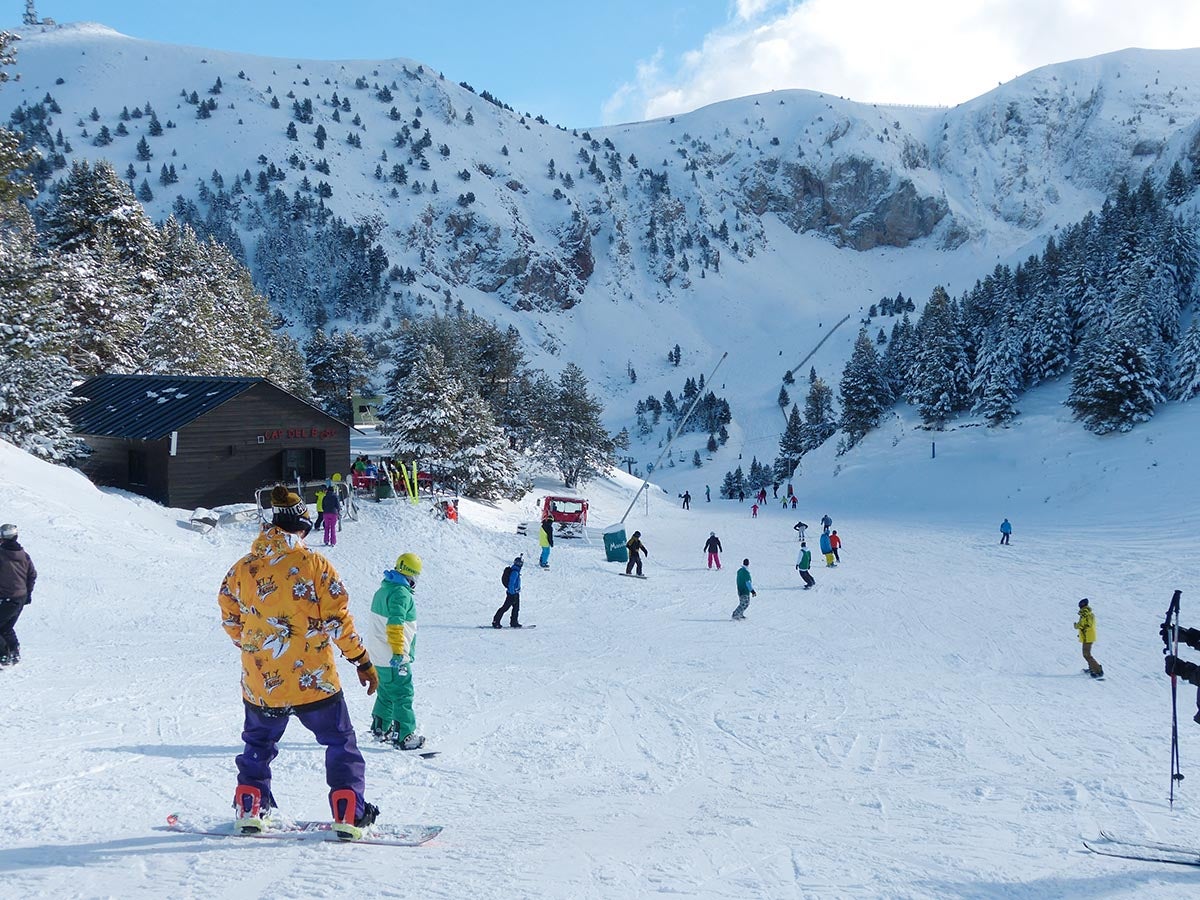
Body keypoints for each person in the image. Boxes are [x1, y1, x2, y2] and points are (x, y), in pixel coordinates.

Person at [217, 485, 380, 840]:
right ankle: (348, 810)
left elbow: (230, 617)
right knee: (339, 742)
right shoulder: (315, 564)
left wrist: (256, 648)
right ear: (302, 527)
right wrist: (362, 661)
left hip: (263, 680)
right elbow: (338, 621)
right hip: (314, 680)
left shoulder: (242, 569)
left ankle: (250, 803)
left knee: (258, 744)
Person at [367, 553, 425, 749]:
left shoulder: (383, 590)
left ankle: (380, 727)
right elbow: (395, 624)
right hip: (393, 655)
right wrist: (399, 652)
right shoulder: (401, 593)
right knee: (402, 694)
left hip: (378, 655)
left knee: (385, 692)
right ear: (412, 576)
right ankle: (404, 736)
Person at [0, 523, 36, 666]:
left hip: (7, 598)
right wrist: (27, 594)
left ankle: (3, 656)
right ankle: (14, 651)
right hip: (20, 598)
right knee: (6, 627)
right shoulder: (24, 555)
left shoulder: (2, 555)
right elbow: (32, 575)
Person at [1075, 599, 1104, 678]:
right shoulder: (1088, 614)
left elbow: (1086, 625)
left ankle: (1098, 671)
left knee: (1086, 654)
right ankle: (1092, 668)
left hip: (1088, 637)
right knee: (1087, 654)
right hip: (1087, 636)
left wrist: (1077, 626)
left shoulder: (1085, 614)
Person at [493, 556, 524, 627]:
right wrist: (512, 593)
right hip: (512, 594)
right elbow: (511, 583)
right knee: (505, 608)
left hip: (516, 593)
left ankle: (514, 622)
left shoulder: (516, 571)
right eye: (520, 563)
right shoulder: (515, 572)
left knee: (516, 609)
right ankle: (496, 621)